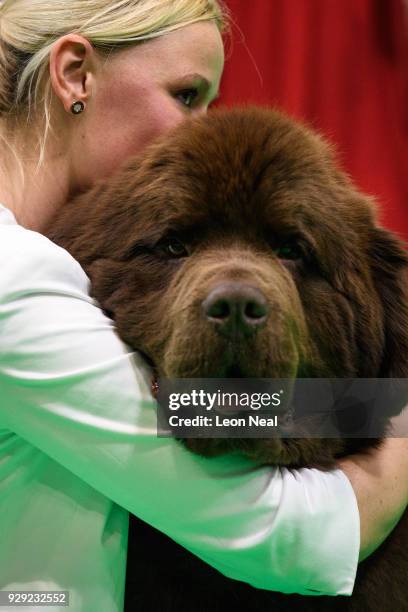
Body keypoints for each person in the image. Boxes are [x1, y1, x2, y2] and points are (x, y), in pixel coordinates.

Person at [0, 1, 406, 610]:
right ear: (76, 74)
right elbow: (294, 531)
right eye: (186, 95)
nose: (199, 132)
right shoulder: (19, 281)